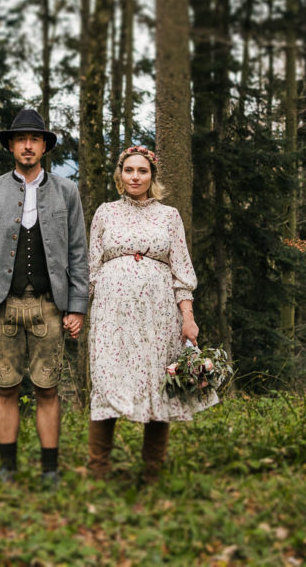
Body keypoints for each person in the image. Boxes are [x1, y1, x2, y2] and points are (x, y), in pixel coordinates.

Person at [0, 108, 89, 487]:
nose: (28, 146)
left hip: (51, 306)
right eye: (22, 139)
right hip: (1, 304)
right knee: (6, 388)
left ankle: (49, 470)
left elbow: (78, 254)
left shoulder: (67, 191)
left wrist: (77, 307)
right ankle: (8, 468)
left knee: (48, 389)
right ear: (11, 146)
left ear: (45, 146)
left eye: (35, 139)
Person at [85, 145, 218, 483]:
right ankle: (98, 472)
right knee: (107, 381)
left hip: (159, 315)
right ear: (120, 174)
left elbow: (182, 271)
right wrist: (87, 305)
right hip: (112, 314)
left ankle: (152, 473)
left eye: (142, 171)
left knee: (160, 384)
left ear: (152, 176)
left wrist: (188, 317)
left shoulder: (169, 216)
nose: (135, 176)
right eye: (129, 170)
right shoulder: (105, 212)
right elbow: (91, 266)